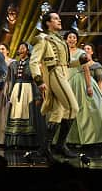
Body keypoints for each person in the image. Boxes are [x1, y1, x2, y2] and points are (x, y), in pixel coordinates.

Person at [29, 11, 79, 163]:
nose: (59, 20)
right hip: (54, 73)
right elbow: (34, 61)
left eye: (59, 18)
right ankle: (60, 145)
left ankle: (45, 148)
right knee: (73, 107)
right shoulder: (43, 39)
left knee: (58, 112)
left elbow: (67, 63)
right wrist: (38, 80)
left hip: (63, 73)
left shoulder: (59, 39)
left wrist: (81, 61)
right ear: (48, 23)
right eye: (55, 18)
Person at [64, 31, 102, 146]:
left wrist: (89, 86)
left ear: (76, 40)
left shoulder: (81, 52)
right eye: (70, 37)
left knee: (86, 109)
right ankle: (70, 139)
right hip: (67, 82)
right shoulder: (63, 53)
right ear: (66, 39)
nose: (72, 39)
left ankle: (90, 138)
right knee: (69, 111)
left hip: (81, 81)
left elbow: (86, 69)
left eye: (74, 37)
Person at [4, 42, 45, 148]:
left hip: (28, 90)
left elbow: (36, 80)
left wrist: (37, 95)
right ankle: (15, 142)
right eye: (20, 47)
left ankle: (29, 143)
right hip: (17, 89)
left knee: (27, 114)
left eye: (23, 48)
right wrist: (10, 93)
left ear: (28, 50)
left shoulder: (32, 63)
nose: (21, 50)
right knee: (16, 114)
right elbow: (12, 80)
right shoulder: (14, 64)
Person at [0, 43, 15, 146]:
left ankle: (10, 140)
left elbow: (13, 78)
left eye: (3, 49)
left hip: (8, 88)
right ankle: (1, 140)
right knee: (0, 115)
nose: (0, 51)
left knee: (7, 113)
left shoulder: (12, 63)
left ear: (7, 51)